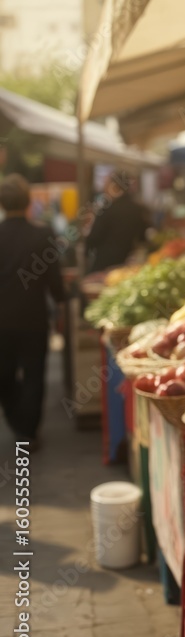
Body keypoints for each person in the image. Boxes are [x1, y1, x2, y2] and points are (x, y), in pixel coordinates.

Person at [0, 174, 66, 445]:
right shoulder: (42, 234)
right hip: (34, 318)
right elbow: (54, 278)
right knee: (34, 375)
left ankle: (18, 423)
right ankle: (28, 431)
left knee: (4, 376)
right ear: (28, 202)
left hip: (2, 322)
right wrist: (61, 303)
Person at [85, 171, 149, 272]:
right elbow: (142, 237)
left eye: (106, 186)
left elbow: (93, 239)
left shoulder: (107, 210)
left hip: (104, 265)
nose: (104, 190)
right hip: (126, 262)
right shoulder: (137, 209)